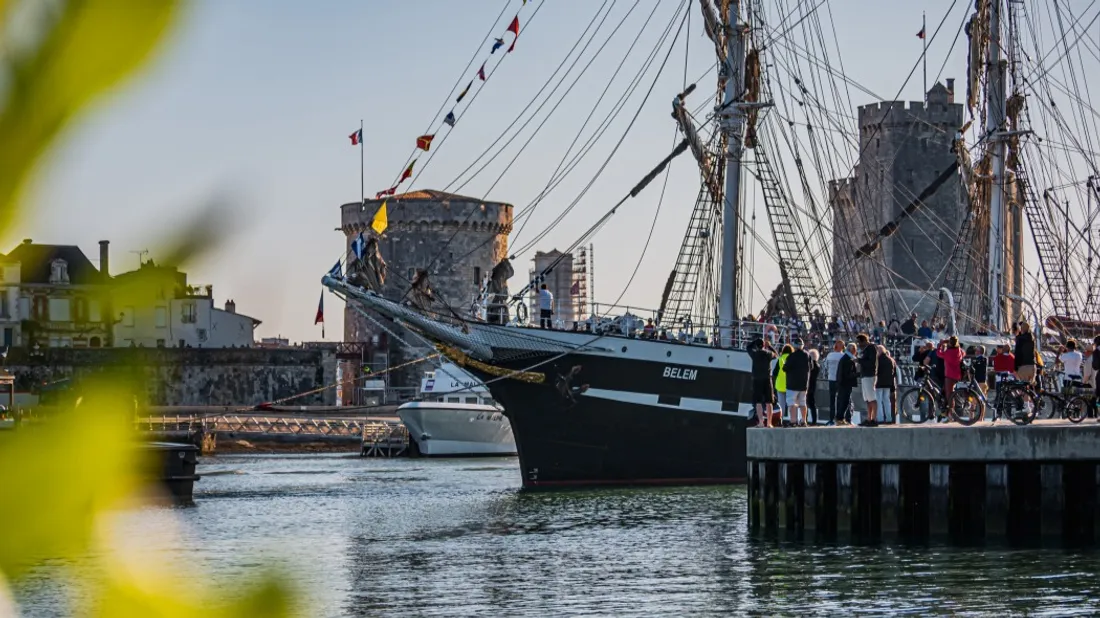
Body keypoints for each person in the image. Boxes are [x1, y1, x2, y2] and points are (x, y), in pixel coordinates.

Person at [748, 338, 777, 427]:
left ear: (756, 346)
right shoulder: (768, 354)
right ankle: (769, 423)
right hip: (767, 379)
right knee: (769, 402)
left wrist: (755, 341)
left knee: (758, 402)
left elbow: (748, 347)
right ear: (763, 346)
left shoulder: (754, 354)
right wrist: (769, 346)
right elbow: (776, 354)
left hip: (757, 379)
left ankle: (761, 422)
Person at [783, 339, 811, 427]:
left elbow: (785, 368)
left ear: (794, 346)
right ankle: (803, 421)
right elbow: (811, 367)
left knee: (792, 403)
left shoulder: (791, 356)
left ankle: (793, 421)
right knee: (803, 403)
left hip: (792, 384)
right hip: (803, 384)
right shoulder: (807, 355)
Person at [937, 336, 965, 417]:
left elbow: (939, 354)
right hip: (957, 375)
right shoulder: (958, 350)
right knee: (948, 392)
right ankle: (947, 412)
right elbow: (964, 353)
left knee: (949, 395)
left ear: (950, 343)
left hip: (949, 376)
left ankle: (951, 415)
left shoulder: (948, 352)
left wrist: (940, 345)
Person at [856, 334, 878, 426]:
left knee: (872, 398)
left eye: (859, 342)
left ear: (864, 341)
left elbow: (871, 362)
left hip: (870, 375)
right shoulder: (866, 349)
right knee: (867, 399)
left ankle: (874, 419)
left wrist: (859, 361)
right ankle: (869, 418)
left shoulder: (871, 348)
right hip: (865, 375)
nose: (858, 344)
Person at [836, 343, 859, 425]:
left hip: (842, 383)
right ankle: (840, 419)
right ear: (852, 350)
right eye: (855, 349)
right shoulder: (848, 360)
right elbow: (847, 374)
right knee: (845, 402)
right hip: (845, 384)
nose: (856, 351)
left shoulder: (844, 358)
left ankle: (840, 418)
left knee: (844, 401)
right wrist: (858, 374)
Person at [824, 339, 845, 426]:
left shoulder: (829, 355)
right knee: (841, 400)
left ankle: (831, 419)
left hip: (831, 379)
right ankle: (840, 418)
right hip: (841, 380)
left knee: (832, 400)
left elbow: (825, 367)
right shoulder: (843, 356)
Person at [875, 344, 897, 424]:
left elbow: (876, 372)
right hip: (888, 384)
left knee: (879, 401)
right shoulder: (890, 360)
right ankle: (889, 418)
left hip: (879, 383)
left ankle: (880, 418)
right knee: (887, 401)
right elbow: (894, 373)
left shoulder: (878, 360)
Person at [773, 344, 794, 425]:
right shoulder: (792, 359)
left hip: (780, 385)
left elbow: (775, 372)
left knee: (781, 405)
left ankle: (780, 421)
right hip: (790, 385)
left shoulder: (780, 359)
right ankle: (792, 420)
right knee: (791, 404)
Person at [807, 349, 820, 425]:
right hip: (813, 386)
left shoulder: (809, 365)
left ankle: (805, 419)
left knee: (806, 404)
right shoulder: (818, 366)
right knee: (812, 405)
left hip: (807, 385)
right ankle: (814, 420)